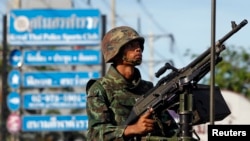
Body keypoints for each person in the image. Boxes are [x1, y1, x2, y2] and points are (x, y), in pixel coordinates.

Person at [86, 26, 178, 141]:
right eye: (130, 45)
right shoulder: (100, 88)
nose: (138, 49)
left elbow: (169, 128)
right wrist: (132, 129)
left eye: (139, 45)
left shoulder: (148, 88)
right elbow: (95, 134)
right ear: (115, 51)